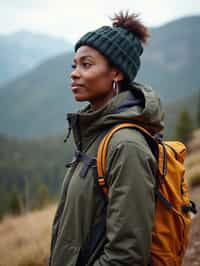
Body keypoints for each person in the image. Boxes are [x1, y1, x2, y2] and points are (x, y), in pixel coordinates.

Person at [48, 11, 164, 266]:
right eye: (74, 65)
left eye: (86, 64)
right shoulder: (95, 135)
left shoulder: (125, 146)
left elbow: (127, 256)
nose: (74, 73)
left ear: (117, 73)